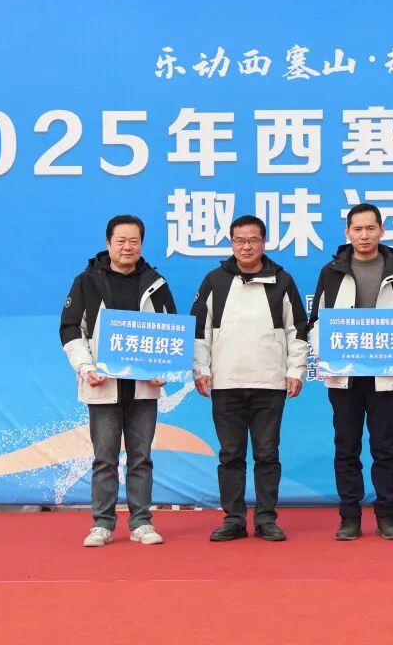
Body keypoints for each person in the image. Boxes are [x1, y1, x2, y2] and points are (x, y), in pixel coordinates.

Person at [307, 203, 393, 541]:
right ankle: (349, 517)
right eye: (357, 229)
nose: (364, 235)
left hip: (384, 372)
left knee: (385, 446)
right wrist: (325, 352)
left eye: (370, 228)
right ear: (347, 233)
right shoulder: (331, 271)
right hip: (343, 373)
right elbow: (316, 321)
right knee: (346, 446)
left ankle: (387, 516)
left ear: (382, 230)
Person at [60, 215, 176, 548]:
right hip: (103, 384)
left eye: (134, 241)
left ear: (142, 244)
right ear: (108, 242)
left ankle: (141, 522)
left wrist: (165, 369)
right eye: (121, 241)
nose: (128, 247)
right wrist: (85, 367)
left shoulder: (156, 283)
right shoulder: (86, 282)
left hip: (144, 387)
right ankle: (102, 524)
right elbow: (71, 329)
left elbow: (171, 331)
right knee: (104, 459)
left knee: (141, 458)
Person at [191, 214, 308, 542]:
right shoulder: (214, 280)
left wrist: (295, 370)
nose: (246, 246)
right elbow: (200, 329)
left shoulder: (282, 281)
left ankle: (267, 519)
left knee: (267, 454)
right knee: (230, 454)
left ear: (264, 243)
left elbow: (297, 329)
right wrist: (201, 369)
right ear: (231, 243)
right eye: (239, 240)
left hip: (269, 383)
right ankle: (233, 519)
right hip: (226, 382)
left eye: (253, 240)